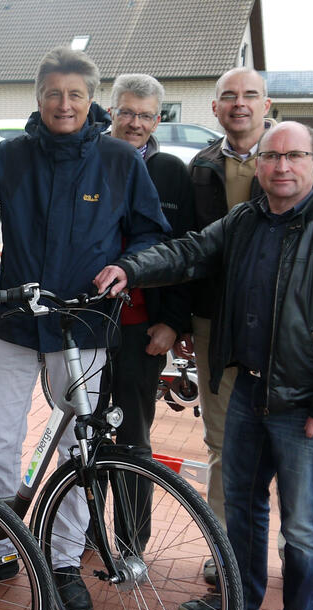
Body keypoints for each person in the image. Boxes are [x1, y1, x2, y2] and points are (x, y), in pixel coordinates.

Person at [94, 121, 313, 610]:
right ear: (259, 166)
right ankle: (242, 597)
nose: (282, 166)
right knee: (243, 509)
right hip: (247, 390)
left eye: (295, 156)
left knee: (303, 526)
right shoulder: (245, 221)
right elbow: (187, 252)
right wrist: (131, 268)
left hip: (306, 406)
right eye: (272, 157)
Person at [0, 46, 169, 610]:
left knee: (75, 446)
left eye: (75, 95)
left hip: (84, 324)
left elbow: (151, 232)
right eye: (54, 94)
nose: (64, 104)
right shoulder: (13, 155)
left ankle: (62, 561)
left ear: (91, 101)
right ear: (38, 98)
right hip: (17, 320)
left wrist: (128, 267)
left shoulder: (119, 160)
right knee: (3, 440)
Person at [185, 67, 313, 595]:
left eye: (250, 95)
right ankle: (228, 558)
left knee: (293, 453)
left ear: (266, 103)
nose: (240, 104)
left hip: (292, 331)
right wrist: (182, 316)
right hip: (220, 327)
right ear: (214, 107)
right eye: (229, 96)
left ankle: (297, 563)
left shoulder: (305, 152)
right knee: (223, 445)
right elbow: (191, 247)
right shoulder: (201, 166)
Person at [104, 73, 195, 553]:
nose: (134, 122)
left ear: (158, 120)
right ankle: (81, 536)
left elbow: (187, 254)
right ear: (111, 112)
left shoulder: (172, 172)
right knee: (85, 435)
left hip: (143, 329)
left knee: (133, 437)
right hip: (86, 329)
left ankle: (131, 542)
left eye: (144, 115)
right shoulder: (91, 158)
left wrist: (173, 322)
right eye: (126, 112)